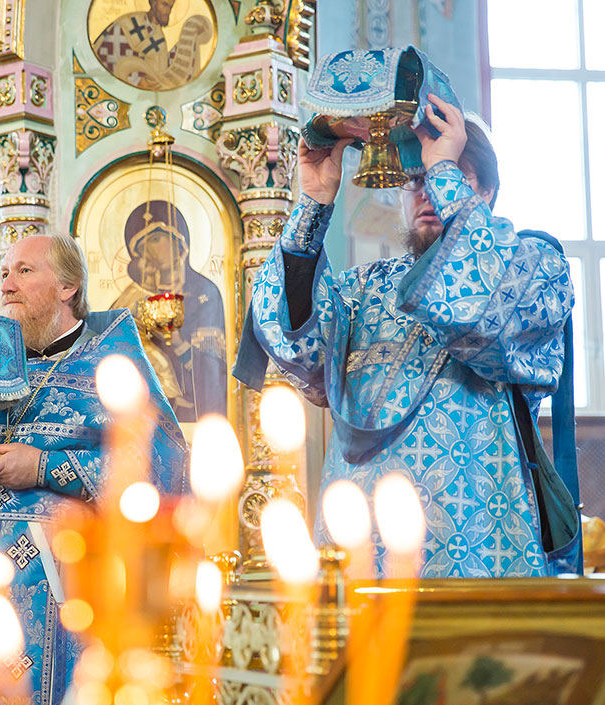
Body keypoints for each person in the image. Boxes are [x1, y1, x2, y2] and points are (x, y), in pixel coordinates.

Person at [238, 94, 575, 578]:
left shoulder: (535, 267)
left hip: (478, 543)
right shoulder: (363, 288)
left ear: (487, 191)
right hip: (360, 545)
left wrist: (443, 173)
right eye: (413, 180)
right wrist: (314, 202)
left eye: (448, 175)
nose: (426, 192)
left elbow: (484, 314)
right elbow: (293, 347)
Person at [0, 234, 188, 705]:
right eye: (4, 273)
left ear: (68, 287)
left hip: (65, 586)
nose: (7, 285)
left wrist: (44, 466)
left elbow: (160, 471)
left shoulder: (112, 367)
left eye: (24, 271)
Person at [111, 200, 227, 422]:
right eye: (141, 247)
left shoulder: (204, 293)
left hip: (197, 419)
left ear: (179, 241)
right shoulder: (133, 297)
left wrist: (178, 344)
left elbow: (213, 369)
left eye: (155, 239)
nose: (149, 252)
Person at [92, 0, 212, 90]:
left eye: (170, 7)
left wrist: (188, 41)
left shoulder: (159, 35)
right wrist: (135, 81)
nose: (168, 11)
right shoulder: (126, 24)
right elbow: (104, 57)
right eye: (164, 5)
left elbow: (163, 69)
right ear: (153, 2)